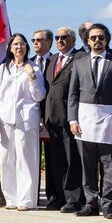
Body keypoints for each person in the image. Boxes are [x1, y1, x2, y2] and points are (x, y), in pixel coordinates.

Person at [68, 23, 112, 219]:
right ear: (87, 41)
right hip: (84, 120)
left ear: (107, 40)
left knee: (109, 164)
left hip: (108, 120)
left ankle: (108, 204)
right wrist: (72, 120)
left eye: (101, 37)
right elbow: (72, 95)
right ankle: (90, 203)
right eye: (93, 37)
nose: (97, 40)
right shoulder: (79, 64)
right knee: (87, 165)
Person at [0, 33, 46, 210]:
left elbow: (39, 96)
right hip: (6, 119)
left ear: (26, 48)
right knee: (7, 159)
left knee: (26, 158)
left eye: (22, 44)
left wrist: (32, 77)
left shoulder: (34, 68)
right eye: (15, 44)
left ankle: (27, 199)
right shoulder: (3, 69)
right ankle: (11, 197)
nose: (19, 47)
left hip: (26, 119)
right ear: (10, 48)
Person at [41, 26, 84, 212]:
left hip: (70, 117)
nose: (60, 40)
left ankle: (73, 199)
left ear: (73, 40)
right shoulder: (51, 60)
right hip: (52, 118)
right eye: (57, 37)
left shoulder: (80, 59)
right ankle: (58, 196)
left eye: (64, 37)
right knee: (56, 161)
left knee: (72, 159)